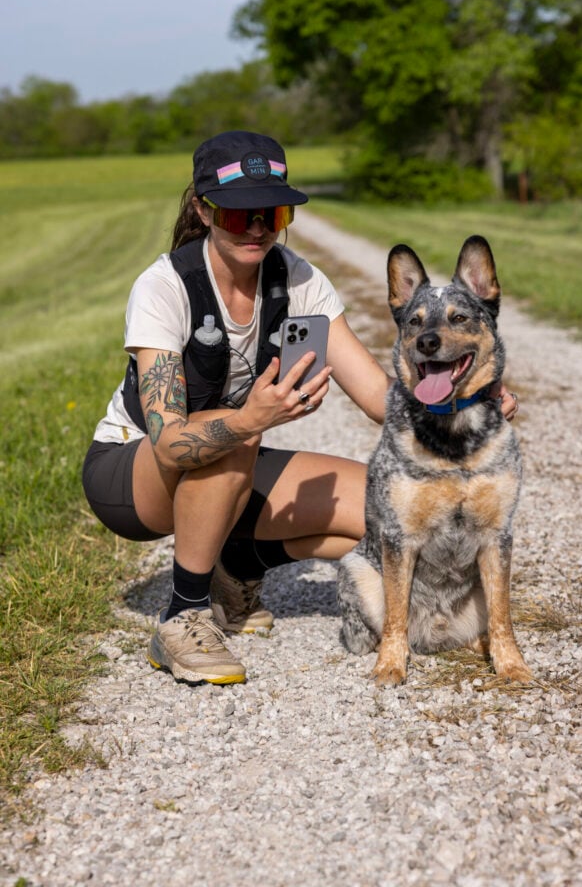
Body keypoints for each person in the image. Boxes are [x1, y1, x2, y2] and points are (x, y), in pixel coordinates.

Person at [82, 130, 518, 686]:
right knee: (237, 436)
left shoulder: (298, 277)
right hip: (133, 472)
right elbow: (169, 440)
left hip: (230, 461)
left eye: (274, 212)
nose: (258, 228)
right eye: (240, 215)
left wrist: (467, 396)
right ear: (203, 208)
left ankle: (237, 566)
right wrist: (252, 417)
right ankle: (183, 615)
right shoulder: (166, 286)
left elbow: (378, 396)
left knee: (380, 505)